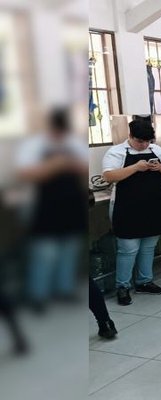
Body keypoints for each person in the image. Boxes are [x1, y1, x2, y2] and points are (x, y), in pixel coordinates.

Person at [15, 109, 86, 310]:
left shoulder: (73, 143)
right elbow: (26, 173)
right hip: (44, 206)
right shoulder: (34, 144)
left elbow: (83, 168)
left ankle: (64, 290)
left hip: (71, 204)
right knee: (45, 252)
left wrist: (69, 164)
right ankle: (38, 295)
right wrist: (56, 165)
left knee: (69, 250)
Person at [102, 119, 161, 305]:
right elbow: (109, 176)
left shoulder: (157, 150)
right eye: (139, 141)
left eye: (147, 141)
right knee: (128, 249)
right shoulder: (116, 152)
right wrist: (135, 167)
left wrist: (160, 168)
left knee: (148, 246)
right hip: (126, 206)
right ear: (130, 136)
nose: (143, 145)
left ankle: (144, 281)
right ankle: (123, 286)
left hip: (153, 204)